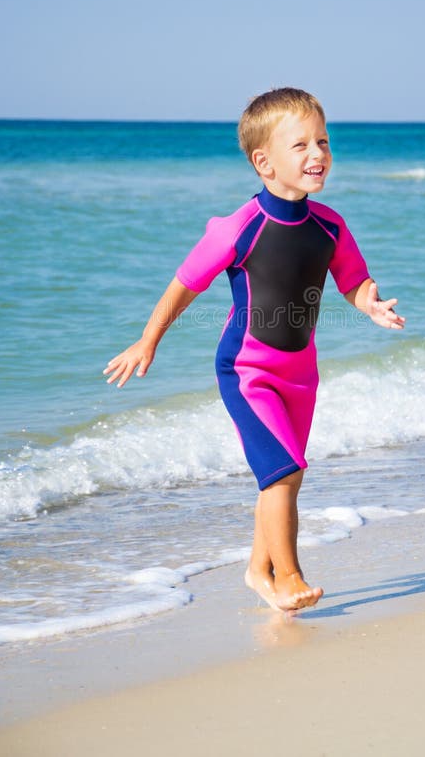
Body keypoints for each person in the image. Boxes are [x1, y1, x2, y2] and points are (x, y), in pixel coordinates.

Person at [103, 87, 405, 612]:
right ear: (264, 162)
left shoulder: (329, 225)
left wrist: (370, 304)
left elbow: (353, 279)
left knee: (286, 474)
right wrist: (147, 339)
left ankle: (257, 569)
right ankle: (288, 575)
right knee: (282, 470)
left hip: (301, 373)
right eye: (301, 145)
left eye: (323, 141)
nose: (318, 154)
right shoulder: (239, 228)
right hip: (247, 370)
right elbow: (183, 286)